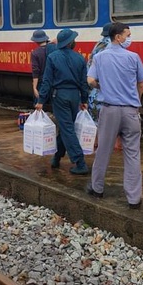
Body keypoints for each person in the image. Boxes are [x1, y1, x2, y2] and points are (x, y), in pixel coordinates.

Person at [86, 22, 143, 208]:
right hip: (130, 112)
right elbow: (141, 84)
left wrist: (101, 85)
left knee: (103, 150)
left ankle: (97, 189)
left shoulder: (100, 57)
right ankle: (134, 199)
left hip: (110, 110)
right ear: (118, 37)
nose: (129, 38)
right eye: (127, 34)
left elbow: (90, 80)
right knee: (133, 154)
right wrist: (136, 102)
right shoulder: (134, 57)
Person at [36, 28, 90, 175]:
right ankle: (57, 157)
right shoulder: (80, 58)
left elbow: (47, 81)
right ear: (71, 43)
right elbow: (84, 83)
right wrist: (84, 100)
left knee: (67, 129)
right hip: (75, 96)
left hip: (59, 96)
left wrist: (41, 100)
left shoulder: (53, 57)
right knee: (67, 128)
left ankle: (80, 163)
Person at [87, 23, 112, 122]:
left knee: (96, 124)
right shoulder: (111, 45)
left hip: (93, 91)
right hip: (105, 91)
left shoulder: (99, 44)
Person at [30, 29, 56, 103]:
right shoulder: (54, 49)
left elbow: (35, 71)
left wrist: (34, 87)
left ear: (35, 41)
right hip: (53, 80)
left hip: (41, 82)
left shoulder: (35, 53)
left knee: (39, 104)